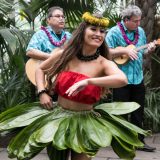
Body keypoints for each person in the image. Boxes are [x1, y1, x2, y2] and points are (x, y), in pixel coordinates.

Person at [0, 12, 149, 160]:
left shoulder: (104, 63)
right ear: (82, 31)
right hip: (58, 117)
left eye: (102, 31)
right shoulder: (65, 54)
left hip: (85, 122)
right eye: (93, 29)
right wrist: (42, 92)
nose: (98, 34)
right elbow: (40, 69)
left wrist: (89, 81)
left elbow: (121, 79)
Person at [105, 4, 156, 152]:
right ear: (126, 19)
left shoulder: (140, 31)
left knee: (138, 111)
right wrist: (123, 50)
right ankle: (120, 142)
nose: (138, 23)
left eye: (140, 20)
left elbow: (143, 54)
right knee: (120, 111)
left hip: (138, 78)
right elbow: (106, 53)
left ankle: (139, 141)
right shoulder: (114, 32)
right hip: (120, 78)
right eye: (135, 21)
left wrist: (150, 50)